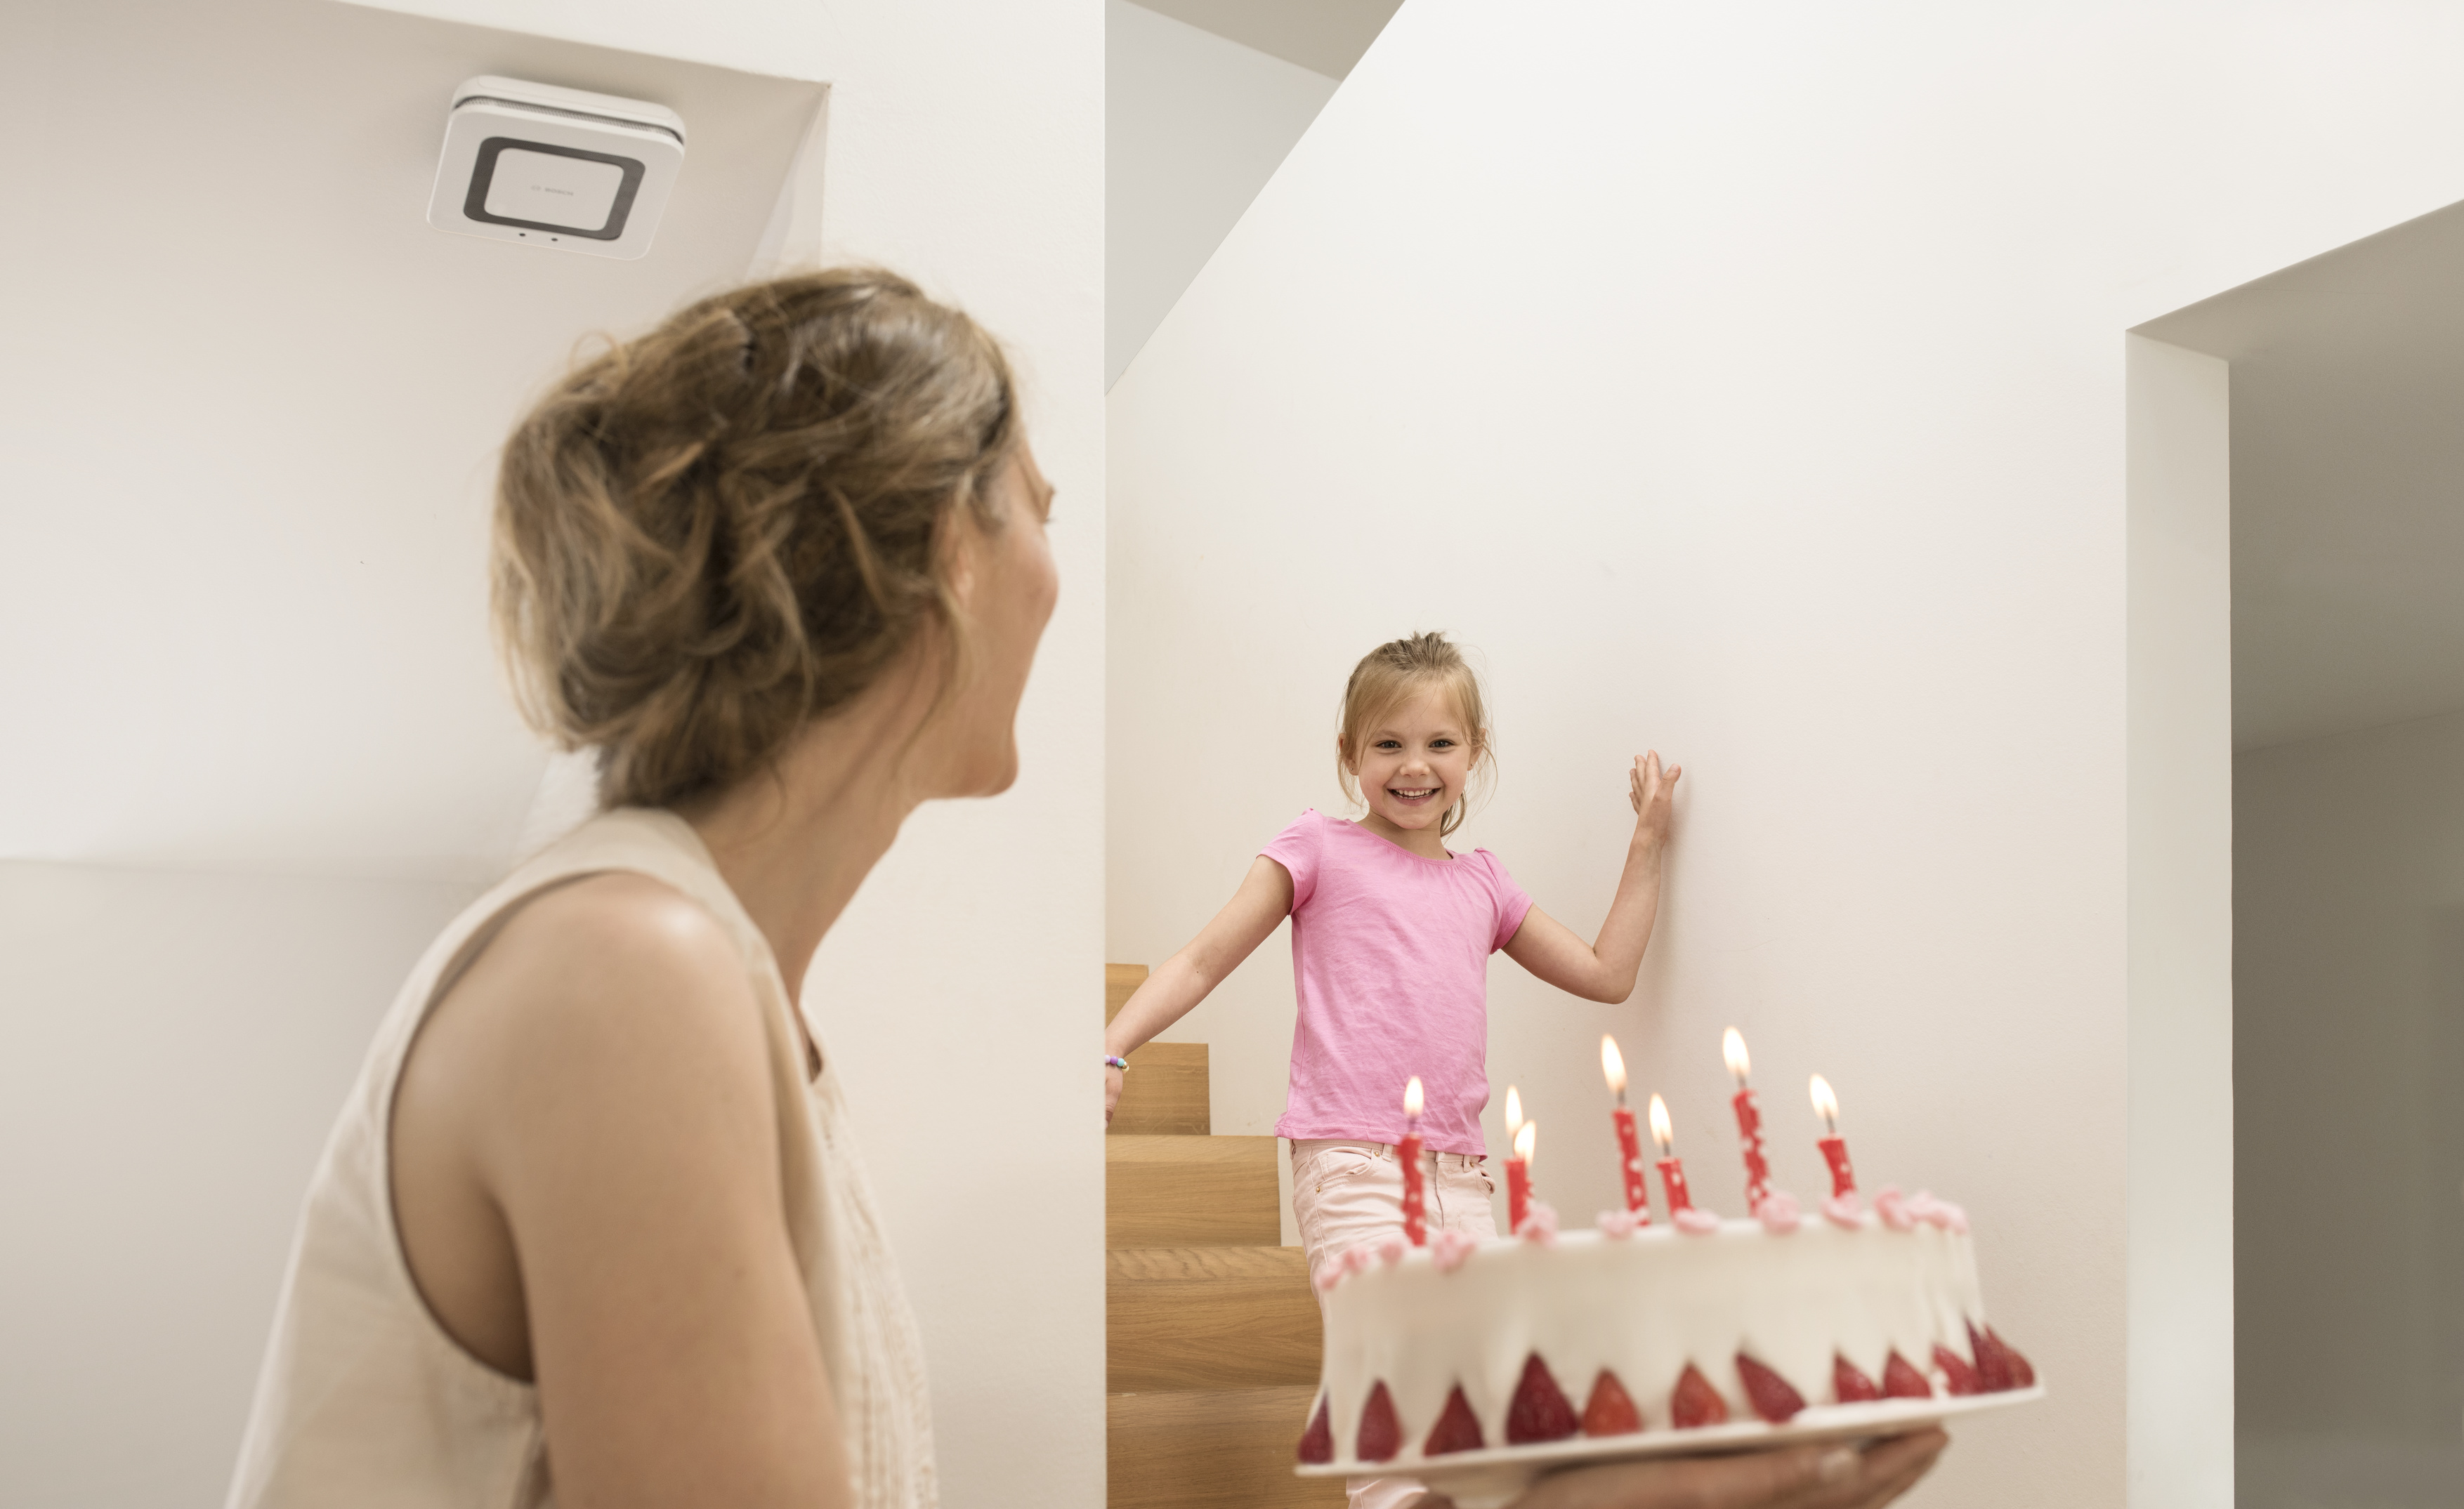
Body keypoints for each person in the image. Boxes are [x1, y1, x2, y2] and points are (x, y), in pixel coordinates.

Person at [225, 268, 1940, 1509]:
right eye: (1035, 508)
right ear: (929, 560)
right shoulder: (631, 976)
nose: (1058, 565)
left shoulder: (692, 975)